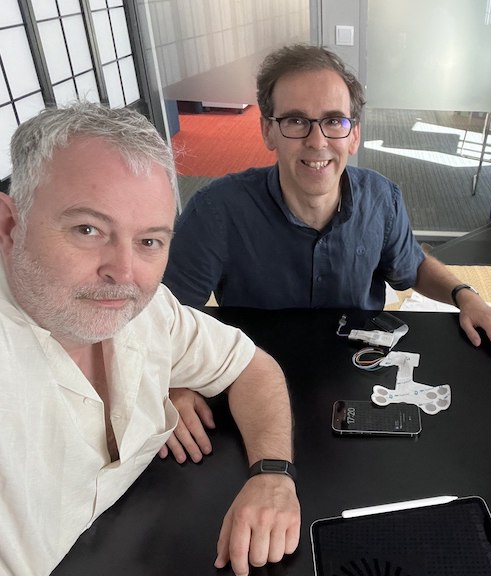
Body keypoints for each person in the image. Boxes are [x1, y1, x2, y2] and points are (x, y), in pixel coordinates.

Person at [0, 103, 300, 576]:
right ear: (9, 225)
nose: (123, 273)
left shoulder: (149, 309)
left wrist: (273, 475)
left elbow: (249, 365)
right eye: (88, 229)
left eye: (149, 242)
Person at [162, 43, 491, 362]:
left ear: (354, 135)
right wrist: (177, 383)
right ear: (268, 131)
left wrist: (465, 296)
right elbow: (168, 314)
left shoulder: (382, 199)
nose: (317, 141)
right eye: (295, 120)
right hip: (250, 372)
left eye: (333, 121)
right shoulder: (216, 210)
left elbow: (412, 267)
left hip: (357, 364)